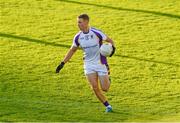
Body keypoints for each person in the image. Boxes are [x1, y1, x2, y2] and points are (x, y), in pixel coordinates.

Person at [56, 14, 116, 112]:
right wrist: (62, 63)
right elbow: (72, 50)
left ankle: (108, 79)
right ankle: (108, 106)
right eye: (77, 22)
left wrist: (112, 50)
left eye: (80, 22)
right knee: (94, 87)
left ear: (86, 22)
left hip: (101, 63)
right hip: (88, 65)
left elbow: (110, 41)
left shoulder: (97, 32)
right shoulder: (78, 37)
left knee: (105, 88)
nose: (78, 24)